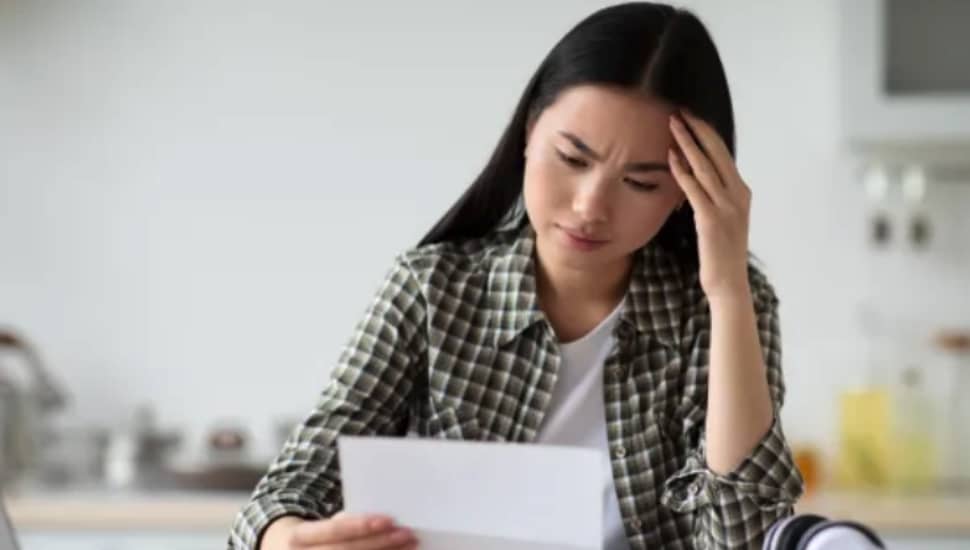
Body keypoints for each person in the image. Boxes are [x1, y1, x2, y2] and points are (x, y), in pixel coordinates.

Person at [228, 2, 804, 549]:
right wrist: (282, 536)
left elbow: (746, 540)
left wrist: (728, 289)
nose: (589, 207)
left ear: (688, 192)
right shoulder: (432, 290)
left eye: (641, 183)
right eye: (573, 159)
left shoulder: (723, 308)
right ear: (529, 132)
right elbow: (292, 485)